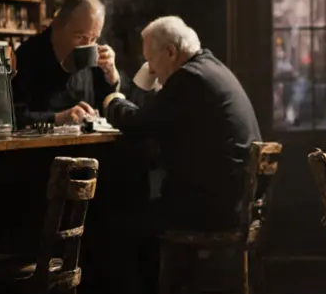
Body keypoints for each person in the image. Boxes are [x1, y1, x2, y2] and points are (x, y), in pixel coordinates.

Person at [101, 16, 262, 232]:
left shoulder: (189, 78)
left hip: (213, 207)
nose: (151, 70)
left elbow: (140, 124)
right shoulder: (209, 66)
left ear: (170, 52)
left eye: (150, 60)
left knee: (119, 221)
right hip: (236, 201)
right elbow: (157, 114)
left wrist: (113, 101)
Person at [11, 0, 120, 127]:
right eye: (79, 37)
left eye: (94, 39)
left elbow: (106, 106)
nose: (87, 46)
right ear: (58, 25)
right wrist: (58, 118)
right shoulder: (27, 55)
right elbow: (13, 115)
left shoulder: (94, 55)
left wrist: (112, 78)